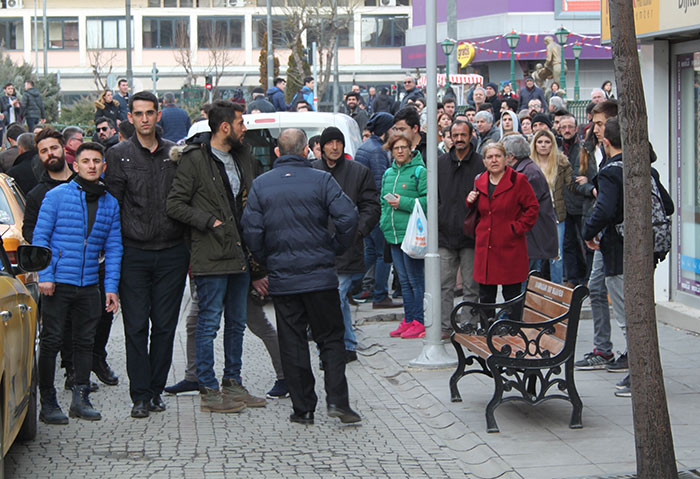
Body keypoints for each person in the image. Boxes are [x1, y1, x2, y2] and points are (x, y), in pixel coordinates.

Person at [242, 128, 361, 425]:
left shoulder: (261, 185)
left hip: (284, 280)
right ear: (308, 150)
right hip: (320, 276)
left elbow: (251, 232)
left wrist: (267, 260)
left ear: (278, 153)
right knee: (331, 339)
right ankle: (337, 401)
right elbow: (348, 217)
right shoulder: (322, 180)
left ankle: (303, 408)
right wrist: (334, 247)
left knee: (292, 342)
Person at [166, 100, 266, 413]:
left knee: (236, 324)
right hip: (210, 253)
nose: (244, 128)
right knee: (209, 324)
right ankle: (208, 389)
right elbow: (175, 205)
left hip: (240, 253)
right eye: (240, 123)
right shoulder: (195, 159)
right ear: (225, 127)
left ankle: (232, 384)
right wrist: (209, 222)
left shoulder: (244, 156)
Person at [105, 91, 189, 419]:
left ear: (158, 116)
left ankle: (155, 391)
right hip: (134, 252)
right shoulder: (119, 155)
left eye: (149, 113)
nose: (144, 119)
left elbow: (185, 199)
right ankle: (139, 394)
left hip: (171, 252)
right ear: (130, 117)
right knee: (136, 326)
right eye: (138, 113)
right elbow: (113, 205)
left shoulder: (174, 153)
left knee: (166, 327)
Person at [581, 117, 672, 397]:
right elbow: (667, 205)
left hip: (620, 251)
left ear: (606, 142)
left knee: (627, 315)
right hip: (650, 248)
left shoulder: (610, 172)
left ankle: (641, 377)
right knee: (639, 311)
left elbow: (605, 210)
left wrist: (588, 232)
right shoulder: (644, 168)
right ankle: (641, 372)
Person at [33, 141, 122, 424]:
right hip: (57, 282)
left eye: (97, 161)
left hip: (88, 285)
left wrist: (111, 287)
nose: (92, 166)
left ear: (103, 166)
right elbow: (40, 239)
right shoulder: (57, 196)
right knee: (51, 342)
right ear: (76, 165)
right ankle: (47, 401)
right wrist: (45, 276)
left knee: (85, 342)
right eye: (86, 161)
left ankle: (80, 399)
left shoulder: (110, 203)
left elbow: (114, 247)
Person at [312, 127, 379, 360]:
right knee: (336, 299)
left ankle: (329, 348)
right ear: (321, 146)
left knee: (335, 297)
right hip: (319, 248)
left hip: (347, 247)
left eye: (337, 142)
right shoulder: (312, 170)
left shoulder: (359, 172)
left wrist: (358, 230)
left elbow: (371, 206)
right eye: (329, 142)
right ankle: (348, 344)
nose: (334, 147)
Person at [466, 143, 538, 311]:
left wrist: (517, 228)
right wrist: (469, 201)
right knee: (486, 296)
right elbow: (478, 210)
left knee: (512, 295)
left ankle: (514, 330)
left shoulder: (518, 180)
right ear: (484, 161)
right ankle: (487, 330)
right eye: (489, 157)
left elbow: (532, 208)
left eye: (498, 156)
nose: (494, 160)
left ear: (506, 159)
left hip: (510, 246)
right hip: (486, 246)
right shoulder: (480, 180)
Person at [437, 120, 485, 337]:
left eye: (462, 135)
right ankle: (445, 326)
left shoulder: (481, 164)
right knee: (443, 286)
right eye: (454, 135)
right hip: (444, 234)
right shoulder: (440, 163)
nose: (458, 139)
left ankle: (468, 325)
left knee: (470, 287)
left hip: (471, 236)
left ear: (471, 135)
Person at [381, 133, 427, 339]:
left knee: (416, 280)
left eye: (403, 147)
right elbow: (382, 202)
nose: (399, 151)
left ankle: (420, 320)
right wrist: (383, 224)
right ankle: (409, 319)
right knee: (404, 281)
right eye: (395, 148)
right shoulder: (387, 174)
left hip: (412, 235)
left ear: (410, 149)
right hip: (393, 235)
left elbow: (428, 201)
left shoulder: (420, 171)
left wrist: (404, 203)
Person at [353, 113, 398, 308]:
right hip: (376, 210)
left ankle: (356, 287)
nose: (395, 132)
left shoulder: (365, 147)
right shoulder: (377, 151)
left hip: (364, 209)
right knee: (382, 254)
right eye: (393, 129)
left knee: (370, 252)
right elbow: (381, 184)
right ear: (385, 130)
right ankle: (380, 295)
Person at [501, 134, 558, 280]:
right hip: (530, 239)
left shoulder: (529, 173)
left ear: (511, 156)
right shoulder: (524, 169)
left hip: (533, 239)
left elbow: (523, 207)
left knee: (528, 283)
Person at [530, 129, 573, 283]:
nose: (543, 145)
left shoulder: (561, 163)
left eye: (547, 142)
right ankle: (532, 294)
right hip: (535, 215)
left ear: (552, 144)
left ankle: (557, 294)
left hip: (556, 214)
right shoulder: (528, 164)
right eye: (540, 142)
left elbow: (571, 186)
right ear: (534, 144)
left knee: (557, 256)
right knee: (534, 256)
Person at [560, 114, 596, 287]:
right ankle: (573, 279)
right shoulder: (557, 149)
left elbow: (585, 177)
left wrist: (584, 182)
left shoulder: (583, 150)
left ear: (576, 129)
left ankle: (588, 279)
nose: (567, 130)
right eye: (563, 127)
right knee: (568, 244)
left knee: (587, 242)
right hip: (564, 205)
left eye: (570, 127)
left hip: (582, 204)